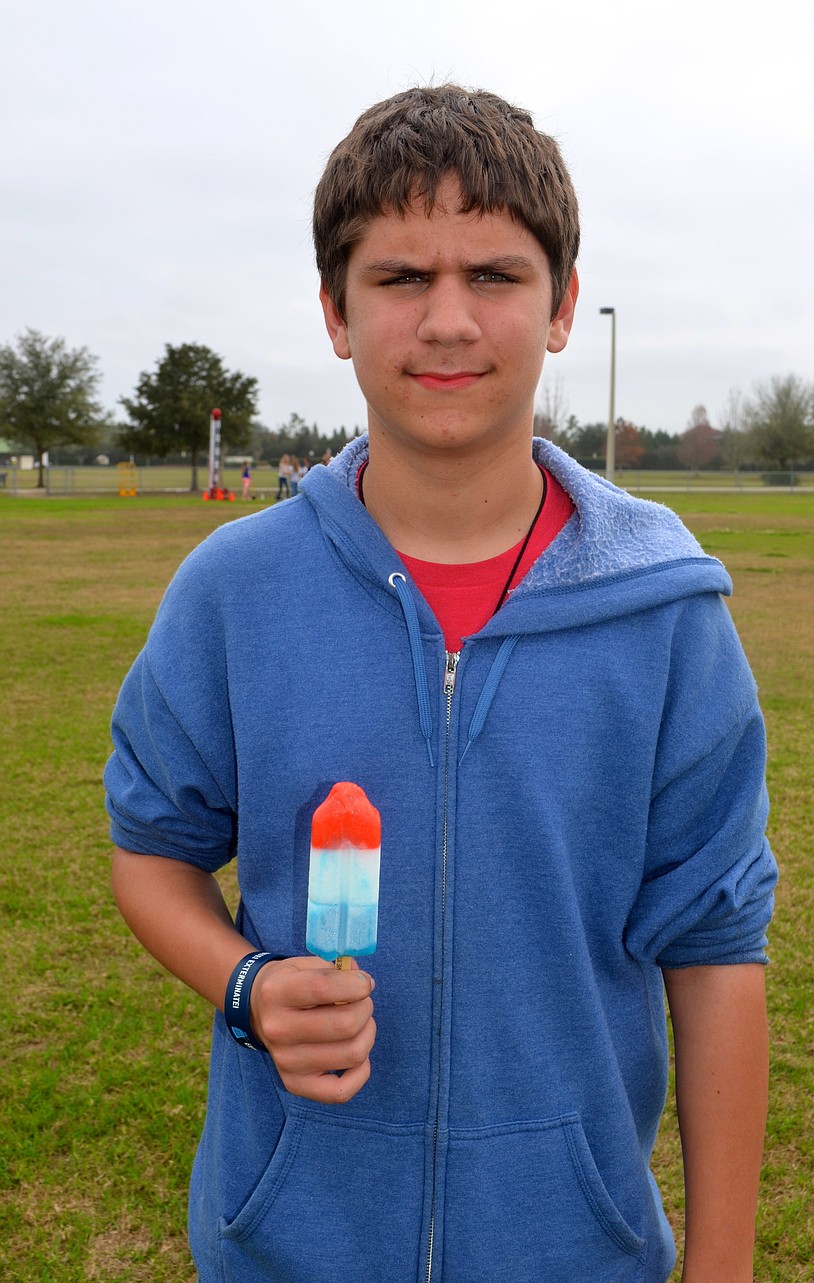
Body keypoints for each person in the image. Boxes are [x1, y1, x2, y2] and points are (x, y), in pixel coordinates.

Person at [105, 84, 777, 1283]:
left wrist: (720, 1266)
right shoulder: (234, 591)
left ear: (563, 306)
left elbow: (717, 949)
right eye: (401, 277)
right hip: (285, 1246)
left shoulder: (670, 613)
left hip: (572, 1249)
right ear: (335, 312)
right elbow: (151, 849)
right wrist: (248, 982)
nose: (448, 320)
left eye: (496, 276)